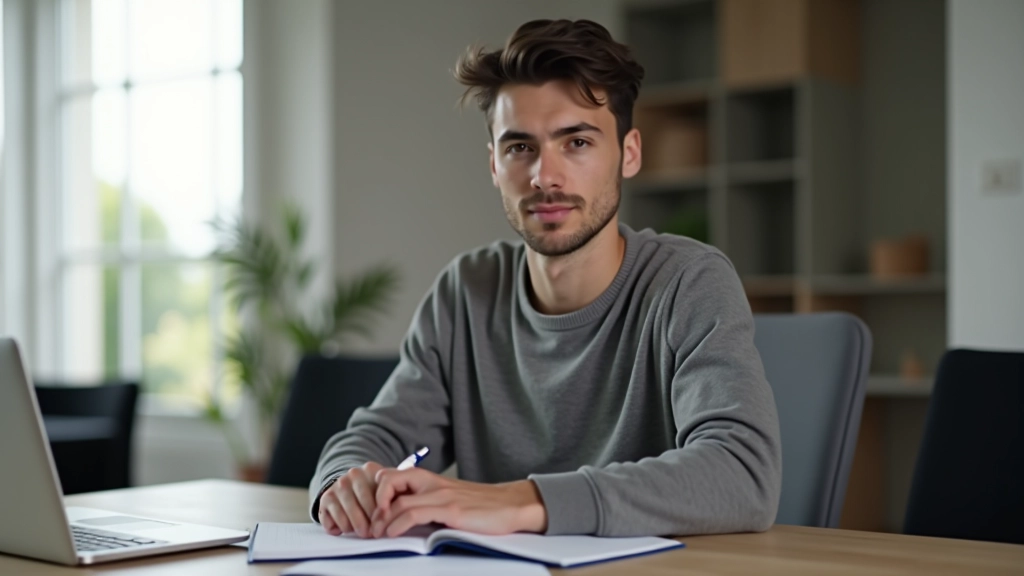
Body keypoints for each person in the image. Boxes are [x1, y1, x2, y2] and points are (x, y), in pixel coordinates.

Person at [311, 18, 781, 540]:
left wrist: (522, 501)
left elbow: (742, 473)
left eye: (576, 142)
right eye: (519, 148)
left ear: (628, 153)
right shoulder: (466, 290)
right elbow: (379, 436)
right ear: (493, 164)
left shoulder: (688, 282)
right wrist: (344, 483)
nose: (545, 176)